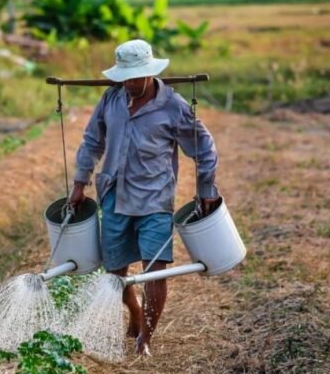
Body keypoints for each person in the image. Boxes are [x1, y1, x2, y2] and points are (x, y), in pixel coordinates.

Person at [68, 39, 220, 356]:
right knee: (115, 273)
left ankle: (144, 341)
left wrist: (206, 189)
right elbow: (92, 140)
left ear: (151, 73)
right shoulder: (111, 99)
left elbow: (204, 148)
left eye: (137, 77)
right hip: (114, 195)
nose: (132, 83)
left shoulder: (173, 107)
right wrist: (80, 182)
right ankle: (135, 313)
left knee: (155, 269)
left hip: (155, 200)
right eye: (126, 77)